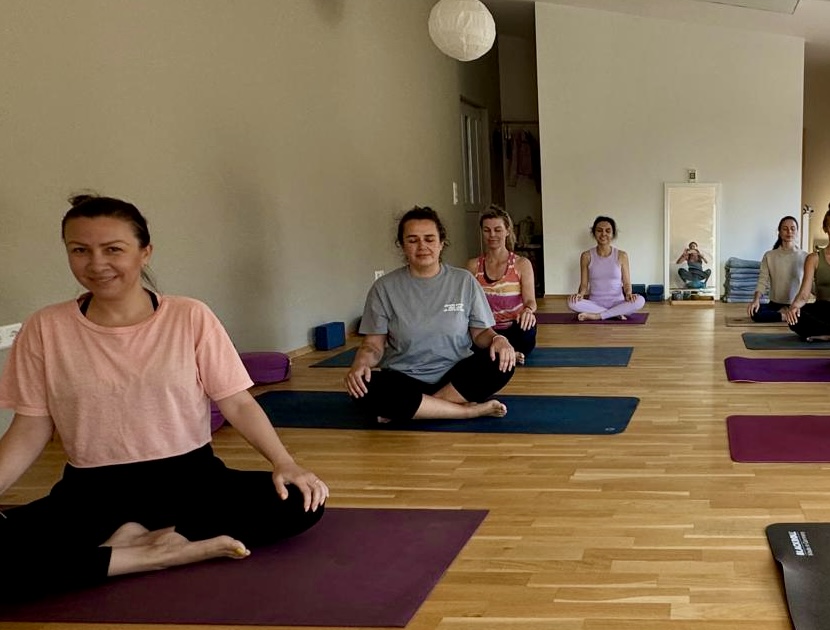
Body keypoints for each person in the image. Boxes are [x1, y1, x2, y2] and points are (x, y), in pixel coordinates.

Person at [0, 195, 327, 601]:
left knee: (302, 501)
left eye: (113, 249)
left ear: (145, 252)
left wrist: (284, 462)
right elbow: (31, 427)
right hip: (91, 493)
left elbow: (237, 402)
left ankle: (147, 544)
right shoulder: (45, 327)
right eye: (80, 250)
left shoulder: (189, 316)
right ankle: (141, 556)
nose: (96, 264)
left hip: (191, 480)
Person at [346, 206, 516, 422]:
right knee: (362, 386)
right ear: (402, 245)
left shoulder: (464, 281)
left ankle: (416, 409)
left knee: (501, 360)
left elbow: (480, 333)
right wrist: (360, 364)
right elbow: (373, 345)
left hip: (455, 378)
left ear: (441, 242)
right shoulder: (383, 288)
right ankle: (467, 411)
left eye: (429, 239)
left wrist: (499, 339)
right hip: (404, 377)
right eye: (413, 240)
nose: (422, 246)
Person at [466, 205, 538, 356]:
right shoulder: (473, 266)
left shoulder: (521, 264)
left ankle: (507, 352)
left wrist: (528, 311)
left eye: (498, 230)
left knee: (528, 326)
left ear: (507, 231)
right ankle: (506, 353)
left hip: (514, 329)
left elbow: (530, 301)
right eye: (487, 230)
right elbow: (467, 304)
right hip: (486, 331)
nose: (492, 235)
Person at [784, 202, 830, 340]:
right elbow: (804, 294)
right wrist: (794, 307)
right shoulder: (814, 258)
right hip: (823, 309)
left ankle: (828, 334)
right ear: (825, 228)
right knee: (796, 316)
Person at [568, 216, 645, 321]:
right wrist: (580, 295)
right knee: (571, 302)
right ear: (594, 233)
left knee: (640, 300)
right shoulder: (586, 256)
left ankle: (597, 316)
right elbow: (584, 285)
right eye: (599, 230)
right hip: (595, 303)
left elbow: (627, 283)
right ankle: (615, 314)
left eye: (608, 231)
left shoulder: (622, 255)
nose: (603, 234)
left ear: (613, 234)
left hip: (618, 303)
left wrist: (628, 294)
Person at [749, 216, 806, 322]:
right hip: (775, 305)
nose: (789, 232)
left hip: (796, 305)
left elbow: (811, 284)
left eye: (792, 229)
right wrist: (756, 300)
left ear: (797, 232)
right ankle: (785, 316)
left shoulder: (805, 257)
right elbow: (762, 281)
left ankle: (788, 315)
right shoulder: (769, 255)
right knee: (755, 312)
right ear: (779, 232)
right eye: (785, 229)